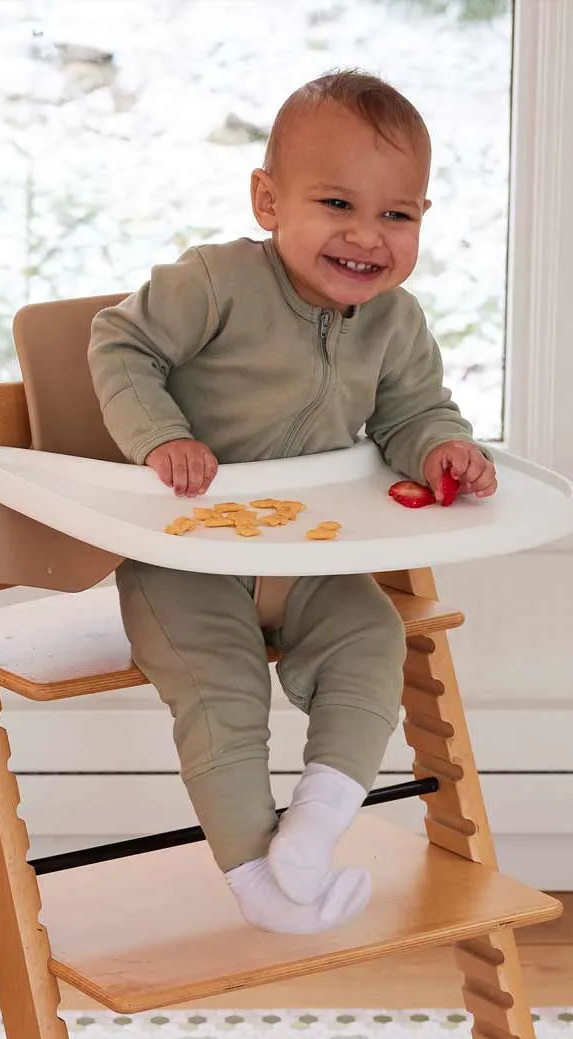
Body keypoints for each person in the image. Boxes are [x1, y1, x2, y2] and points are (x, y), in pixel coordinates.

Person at [88, 69, 495, 934]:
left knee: (373, 635)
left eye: (398, 215)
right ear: (268, 200)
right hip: (184, 555)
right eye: (337, 205)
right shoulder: (214, 283)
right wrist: (162, 436)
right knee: (222, 688)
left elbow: (413, 412)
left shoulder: (395, 322)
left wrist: (442, 449)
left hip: (306, 553)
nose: (367, 237)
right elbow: (119, 343)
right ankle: (255, 878)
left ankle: (314, 824)